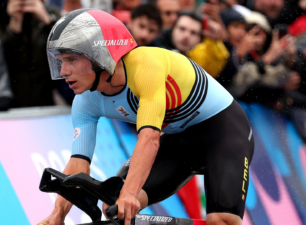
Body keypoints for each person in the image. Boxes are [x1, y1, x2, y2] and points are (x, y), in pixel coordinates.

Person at [38, 9, 254, 225]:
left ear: (99, 56)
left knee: (222, 222)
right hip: (178, 140)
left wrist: (130, 194)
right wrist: (58, 214)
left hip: (223, 131)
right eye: (60, 61)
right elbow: (78, 162)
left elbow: (149, 138)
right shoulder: (85, 100)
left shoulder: (145, 66)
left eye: (71, 59)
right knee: (114, 207)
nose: (63, 70)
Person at [153, 11, 229, 77]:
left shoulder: (195, 57)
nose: (186, 36)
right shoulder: (154, 46)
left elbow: (214, 67)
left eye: (193, 33)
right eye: (182, 29)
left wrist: (213, 41)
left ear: (199, 39)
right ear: (172, 28)